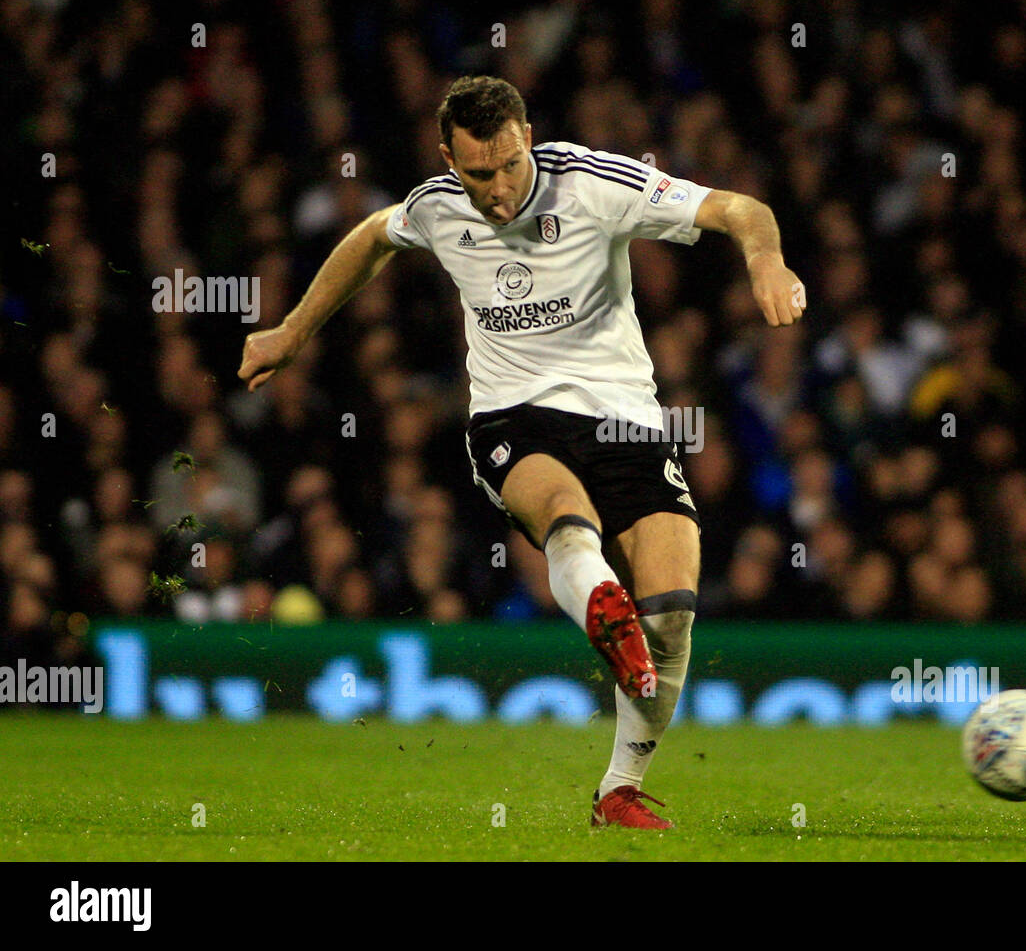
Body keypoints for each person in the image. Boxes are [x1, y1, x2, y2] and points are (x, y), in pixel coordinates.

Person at [238, 75, 805, 828]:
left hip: (626, 420)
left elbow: (741, 209)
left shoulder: (597, 183)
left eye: (509, 165)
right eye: (479, 173)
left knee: (671, 617)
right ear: (449, 157)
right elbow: (372, 237)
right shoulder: (437, 205)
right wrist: (293, 331)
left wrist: (765, 261)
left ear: (527, 138)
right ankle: (600, 601)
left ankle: (618, 792)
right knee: (568, 519)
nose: (500, 191)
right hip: (514, 416)